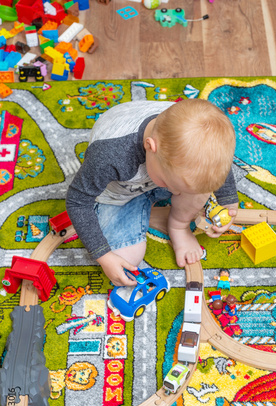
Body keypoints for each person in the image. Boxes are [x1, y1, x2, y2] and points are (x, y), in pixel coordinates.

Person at [66, 99, 238, 286]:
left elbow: (214, 158)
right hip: (118, 195)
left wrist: (228, 199)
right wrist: (104, 256)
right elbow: (77, 201)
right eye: (168, 183)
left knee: (198, 185)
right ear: (150, 146)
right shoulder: (109, 157)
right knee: (127, 264)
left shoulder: (192, 140)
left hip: (156, 171)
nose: (173, 192)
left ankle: (178, 226)